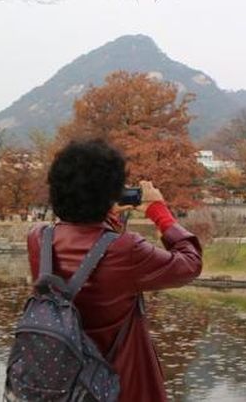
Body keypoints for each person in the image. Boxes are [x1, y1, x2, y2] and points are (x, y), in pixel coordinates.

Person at [26, 139, 203, 402]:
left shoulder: (39, 239)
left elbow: (85, 241)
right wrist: (159, 212)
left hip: (64, 386)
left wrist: (104, 215)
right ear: (111, 192)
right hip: (119, 388)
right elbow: (190, 263)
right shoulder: (125, 249)